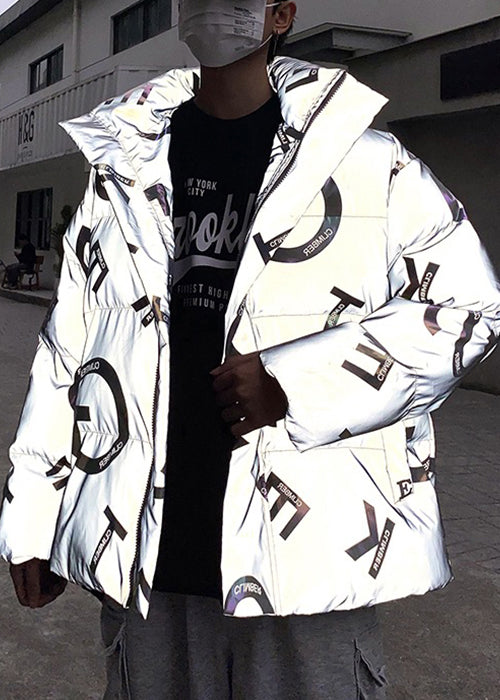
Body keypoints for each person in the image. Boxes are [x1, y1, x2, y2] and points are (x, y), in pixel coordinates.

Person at [1, 1, 499, 697]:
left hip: (308, 563)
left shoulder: (366, 162)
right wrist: (33, 514)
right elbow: (69, 349)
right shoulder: (122, 165)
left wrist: (297, 384)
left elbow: (468, 307)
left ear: (280, 15)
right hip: (150, 555)